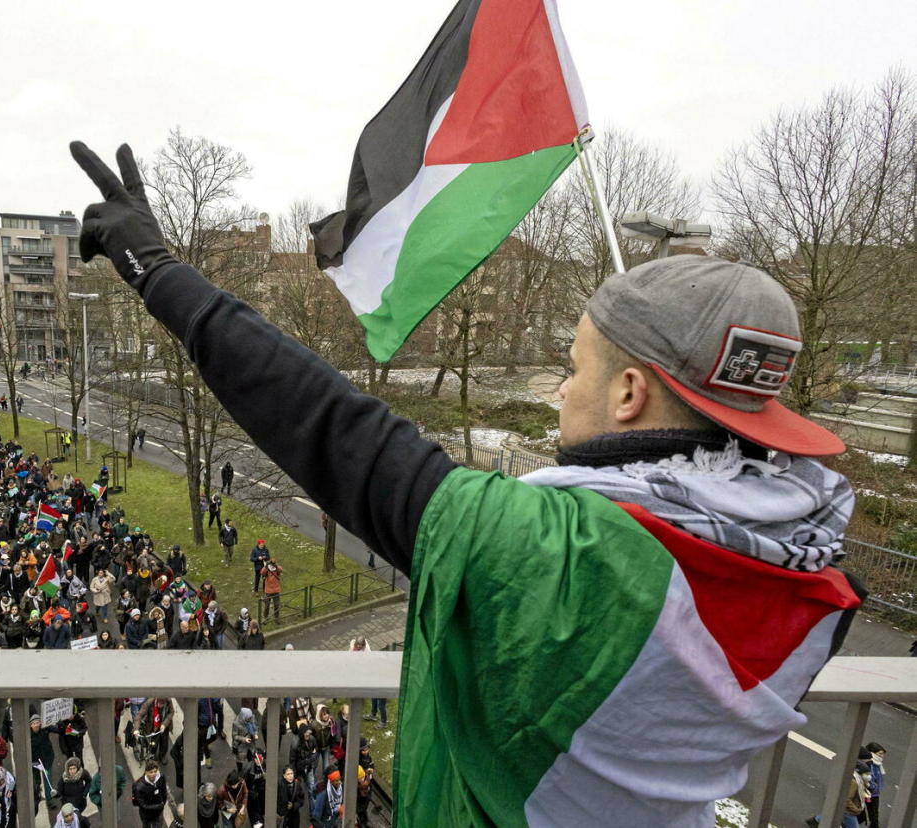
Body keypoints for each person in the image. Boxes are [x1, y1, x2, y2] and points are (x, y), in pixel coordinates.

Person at [69, 145, 864, 826]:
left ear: (629, 393)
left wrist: (157, 269)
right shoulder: (818, 585)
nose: (559, 390)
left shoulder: (556, 553)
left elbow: (325, 424)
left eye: (574, 368)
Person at [132, 759, 167, 828]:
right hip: (146, 814)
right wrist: (158, 806)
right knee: (146, 826)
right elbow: (142, 805)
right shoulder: (139, 787)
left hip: (158, 812)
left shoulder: (161, 777)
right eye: (151, 772)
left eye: (155, 771)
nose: (154, 774)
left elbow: (164, 791)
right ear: (146, 772)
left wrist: (163, 803)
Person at [864, 741, 885, 828]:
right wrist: (874, 787)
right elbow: (871, 778)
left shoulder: (878, 764)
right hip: (870, 793)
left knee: (873, 814)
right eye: (880, 754)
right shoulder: (871, 765)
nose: (882, 756)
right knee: (873, 814)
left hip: (874, 793)